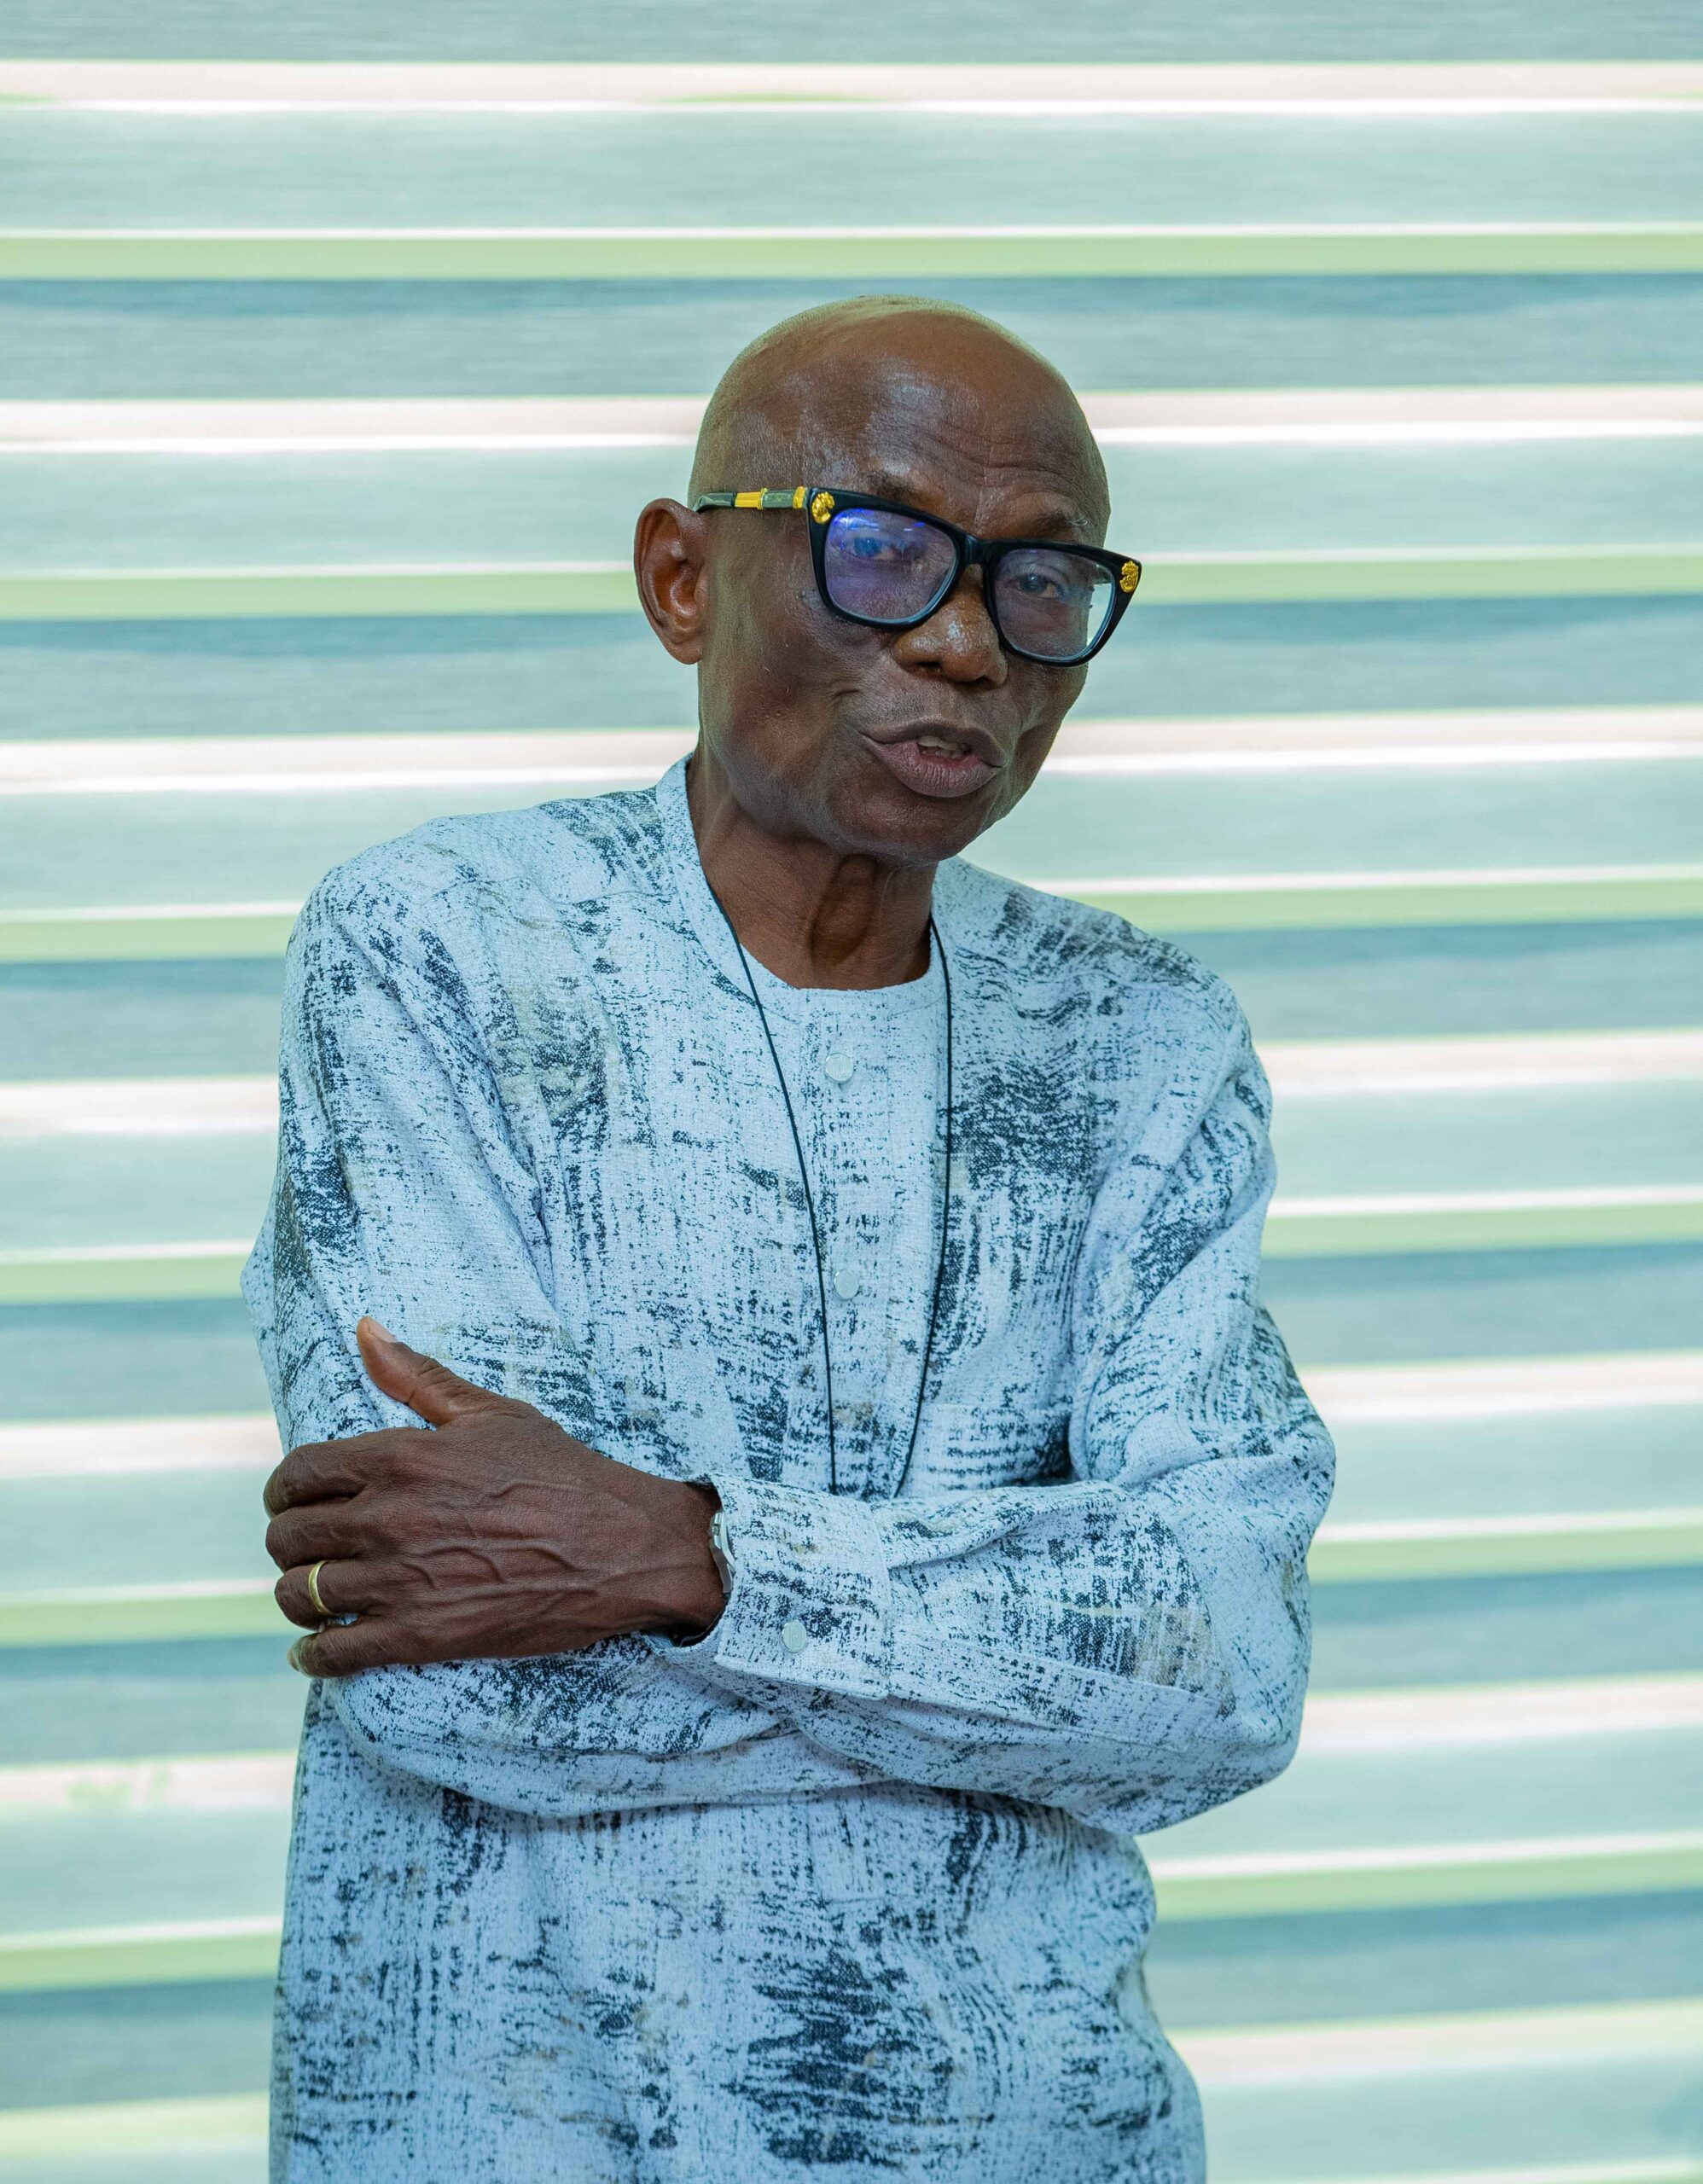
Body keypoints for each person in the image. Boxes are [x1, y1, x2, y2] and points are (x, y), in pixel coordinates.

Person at [241, 293, 1335, 2182]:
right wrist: (1026, 1662)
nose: (968, 641)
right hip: (520, 2121)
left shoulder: (1139, 1035)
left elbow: (1224, 1665)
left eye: (1041, 580)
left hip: (1036, 2133)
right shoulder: (445, 946)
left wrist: (684, 1555)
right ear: (683, 578)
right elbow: (459, 1677)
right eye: (880, 549)